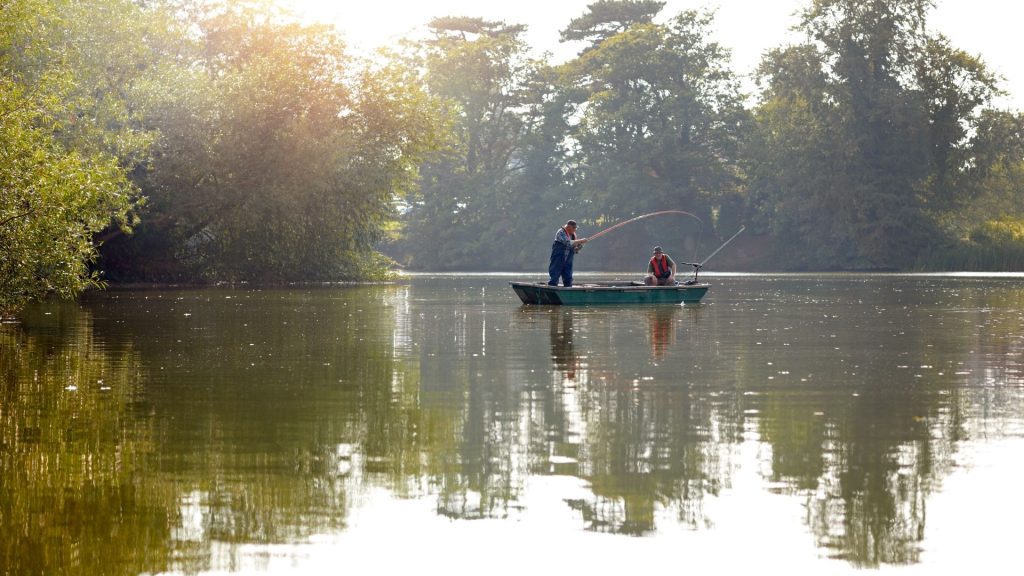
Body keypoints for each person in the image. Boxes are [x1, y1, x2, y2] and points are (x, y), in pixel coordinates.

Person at [548, 220, 587, 286]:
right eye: (574, 228)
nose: (575, 229)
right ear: (569, 226)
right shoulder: (561, 232)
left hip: (568, 260)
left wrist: (580, 245)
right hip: (558, 258)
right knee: (555, 274)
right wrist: (580, 240)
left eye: (576, 228)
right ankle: (552, 287)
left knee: (568, 276)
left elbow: (575, 249)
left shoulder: (573, 235)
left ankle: (568, 289)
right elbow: (567, 242)